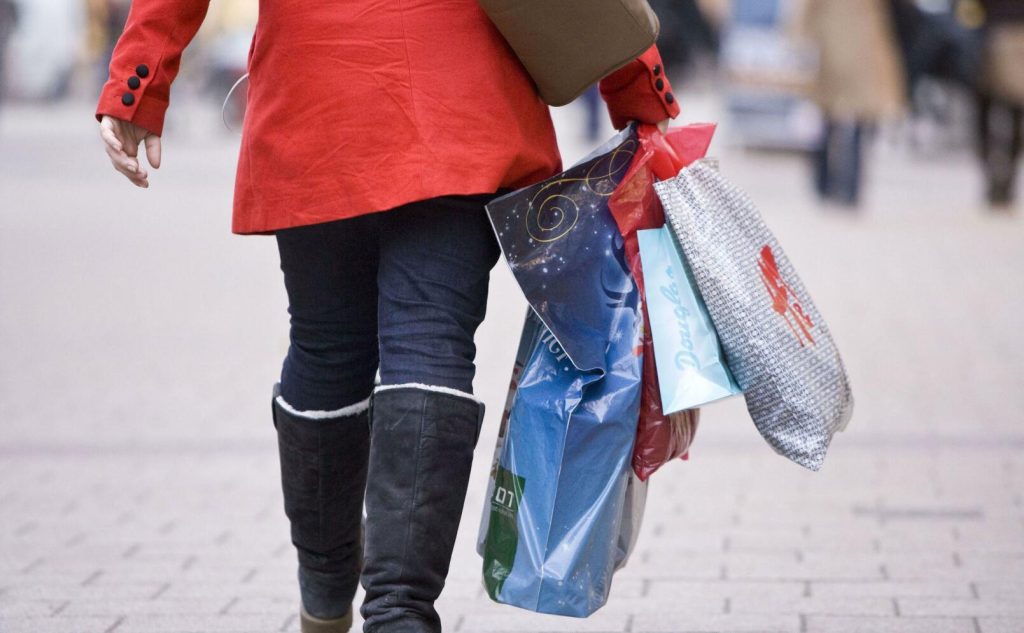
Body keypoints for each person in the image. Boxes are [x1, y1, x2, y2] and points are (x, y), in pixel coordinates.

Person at [95, 2, 679, 632]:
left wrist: (138, 82)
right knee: (431, 340)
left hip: (318, 88)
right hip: (460, 92)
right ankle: (399, 610)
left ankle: (325, 583)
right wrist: (637, 85)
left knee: (325, 347)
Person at [800, 0, 906, 207]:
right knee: (851, 118)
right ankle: (847, 187)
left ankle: (829, 183)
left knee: (832, 117)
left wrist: (802, 33)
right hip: (858, 42)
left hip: (838, 40)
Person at [977, 0, 1024, 208]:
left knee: (994, 113)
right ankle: (1000, 178)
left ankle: (1000, 178)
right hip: (993, 35)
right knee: (1009, 113)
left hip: (997, 34)